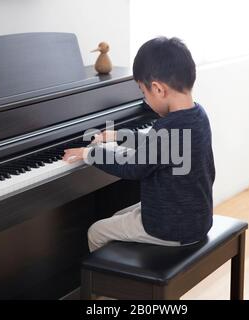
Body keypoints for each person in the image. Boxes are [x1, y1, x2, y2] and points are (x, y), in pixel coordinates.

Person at [63, 37, 215, 252]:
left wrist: (90, 153)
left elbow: (133, 167)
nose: (145, 100)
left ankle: (106, 283)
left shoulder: (168, 127)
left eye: (144, 94)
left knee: (96, 231)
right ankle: (126, 276)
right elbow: (160, 149)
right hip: (195, 217)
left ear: (158, 89)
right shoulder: (197, 115)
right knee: (117, 217)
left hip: (171, 227)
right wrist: (119, 136)